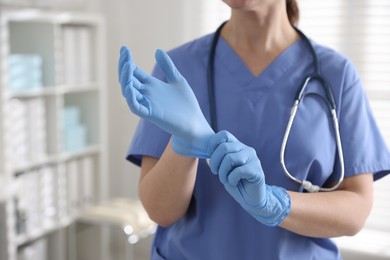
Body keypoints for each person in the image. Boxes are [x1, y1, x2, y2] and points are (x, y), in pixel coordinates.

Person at [118, 0, 390, 259]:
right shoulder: (177, 68)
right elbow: (159, 210)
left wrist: (276, 204)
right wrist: (183, 143)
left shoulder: (337, 75)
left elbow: (356, 209)